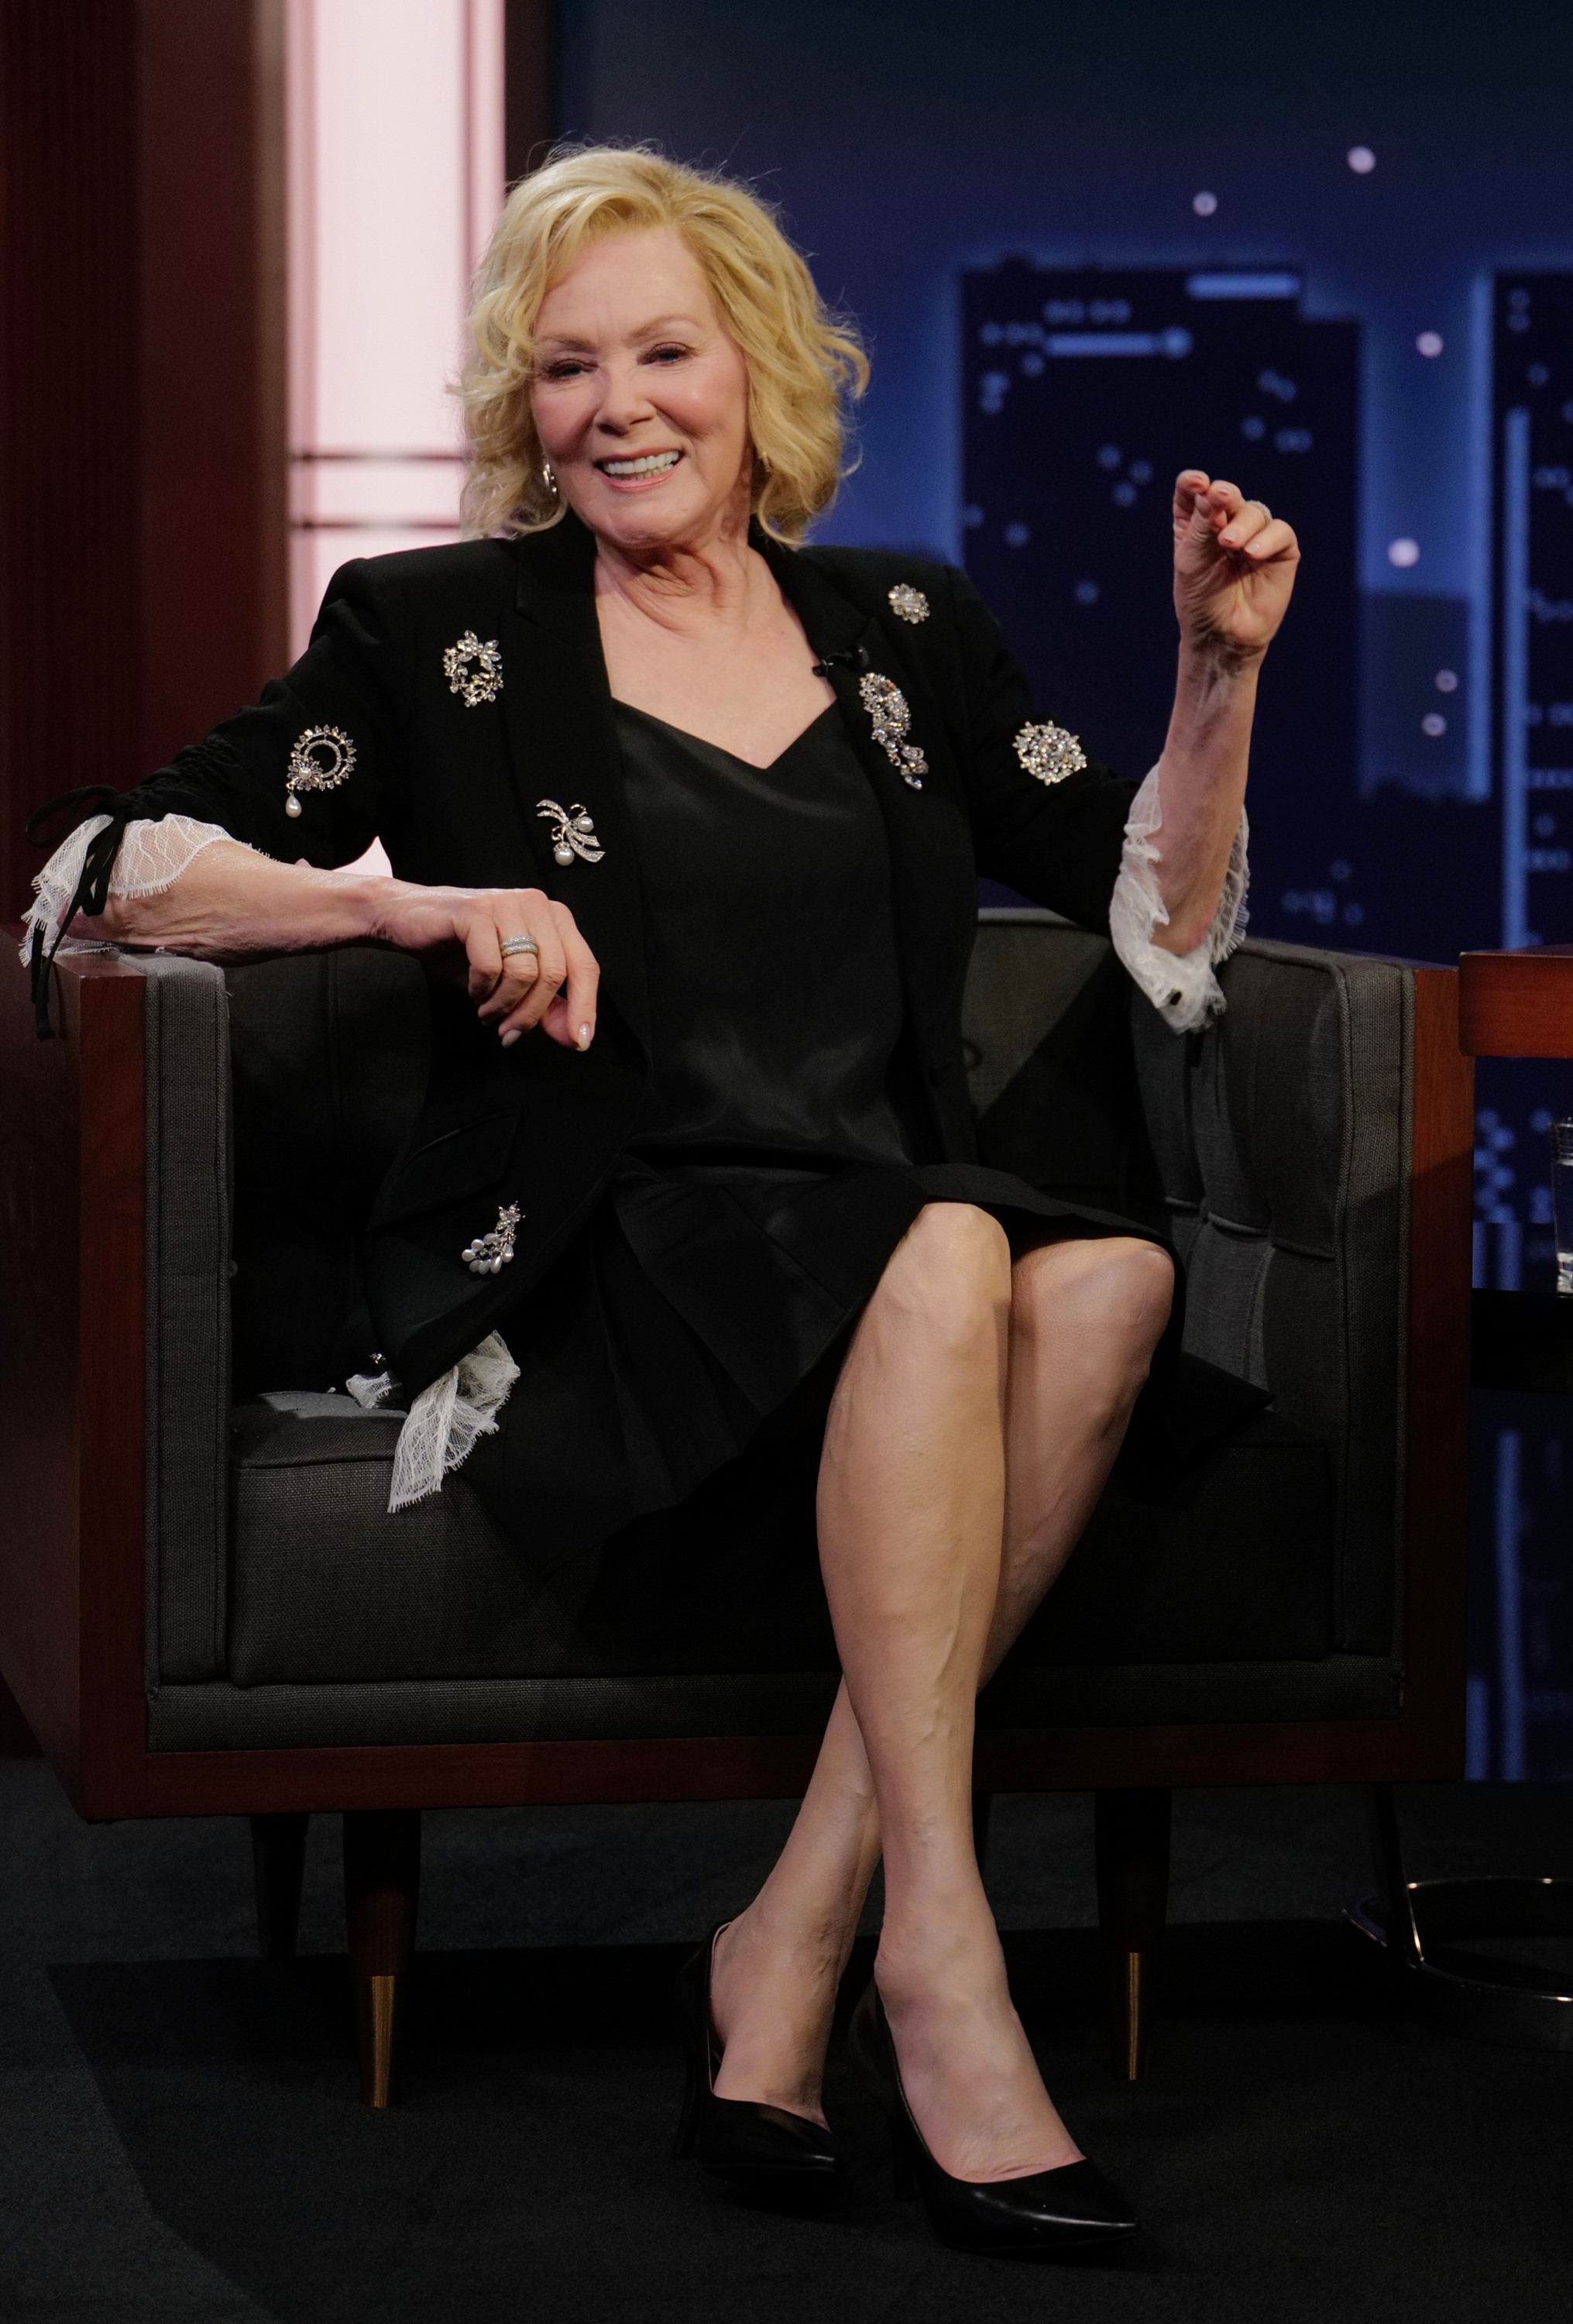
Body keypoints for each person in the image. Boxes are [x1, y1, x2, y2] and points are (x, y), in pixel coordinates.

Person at [25, 146, 1298, 2255]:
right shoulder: (434, 629)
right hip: (602, 1233)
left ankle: (789, 1937)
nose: (616, 407)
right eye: (566, 368)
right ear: (523, 406)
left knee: (1106, 1287)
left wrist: (1216, 668)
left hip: (871, 1220)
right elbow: (112, 866)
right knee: (962, 1243)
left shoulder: (905, 629)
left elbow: (1154, 918)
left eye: (664, 354)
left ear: (758, 372)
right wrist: (419, 904)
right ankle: (943, 1961)